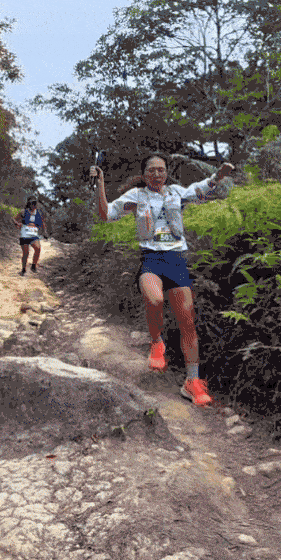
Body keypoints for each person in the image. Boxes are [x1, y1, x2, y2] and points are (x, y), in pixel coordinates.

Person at [90, 152, 235, 407]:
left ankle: (192, 381)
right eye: (152, 170)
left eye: (161, 169)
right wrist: (100, 184)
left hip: (176, 259)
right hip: (152, 259)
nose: (157, 174)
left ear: (166, 172)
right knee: (154, 298)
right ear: (144, 174)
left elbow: (199, 190)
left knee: (187, 321)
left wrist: (218, 177)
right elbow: (106, 213)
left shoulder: (176, 193)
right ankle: (156, 341)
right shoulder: (136, 197)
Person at [14, 197, 48, 276]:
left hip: (33, 234)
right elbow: (15, 219)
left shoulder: (38, 213)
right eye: (32, 203)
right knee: (26, 253)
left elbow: (42, 223)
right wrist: (17, 224)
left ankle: (33, 266)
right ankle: (23, 269)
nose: (34, 205)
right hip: (24, 234)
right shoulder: (23, 212)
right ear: (29, 204)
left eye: (35, 203)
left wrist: (45, 232)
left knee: (38, 248)